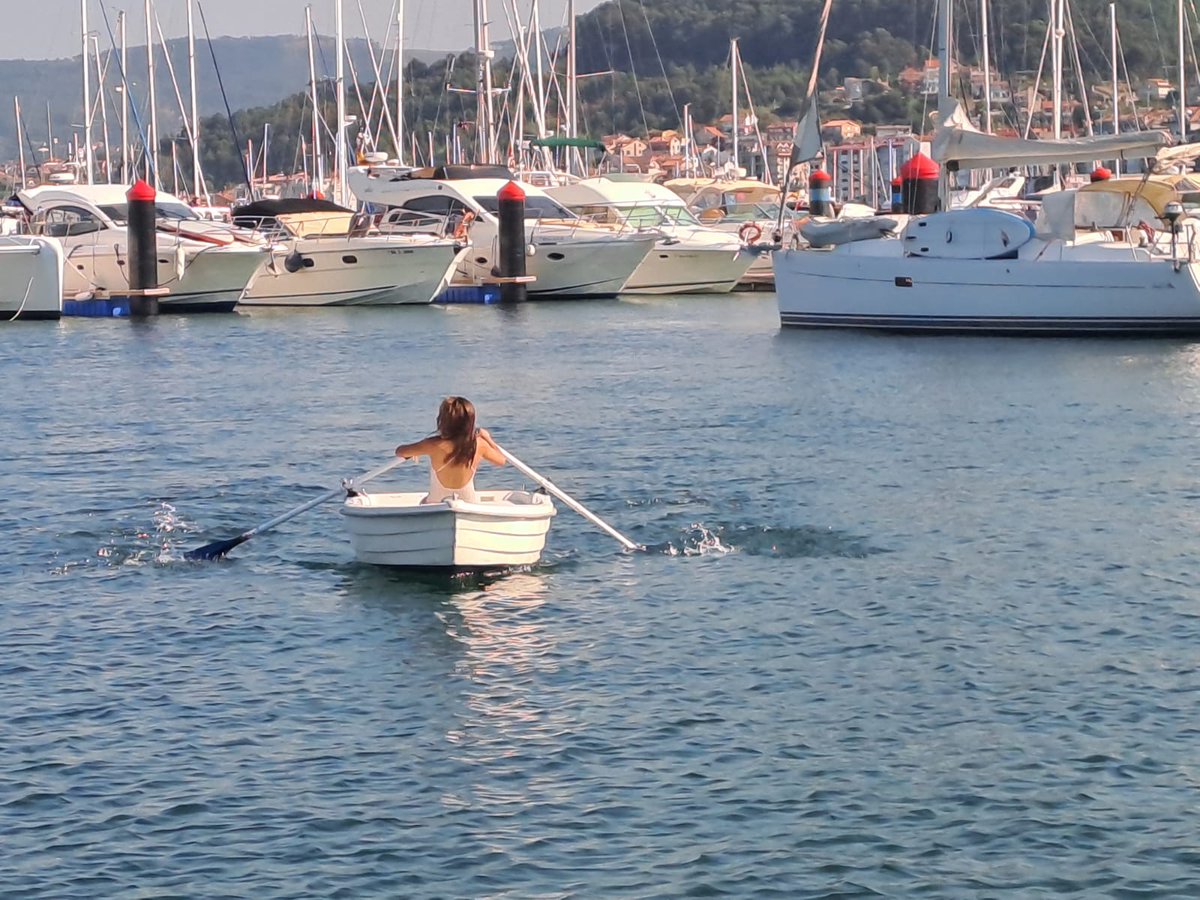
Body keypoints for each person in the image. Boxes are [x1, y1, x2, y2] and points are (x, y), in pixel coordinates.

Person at [395, 396, 506, 504]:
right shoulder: (479, 445)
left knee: (423, 502)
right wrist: (488, 438)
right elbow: (501, 460)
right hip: (469, 501)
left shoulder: (432, 444)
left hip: (436, 500)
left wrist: (415, 450)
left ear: (442, 421)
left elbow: (399, 451)